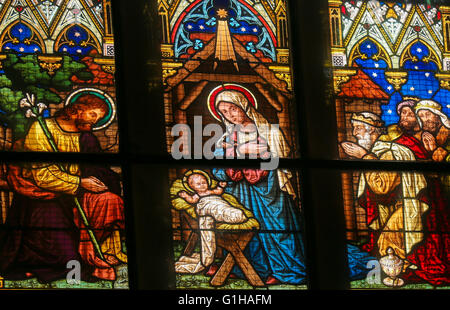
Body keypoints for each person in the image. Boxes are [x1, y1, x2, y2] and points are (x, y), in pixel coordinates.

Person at [0, 94, 126, 283]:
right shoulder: (42, 128)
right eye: (92, 114)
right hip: (42, 196)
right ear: (77, 110)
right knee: (63, 250)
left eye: (98, 118)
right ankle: (73, 261)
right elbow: (42, 176)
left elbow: (97, 167)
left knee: (111, 201)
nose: (95, 121)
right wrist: (79, 183)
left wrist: (99, 181)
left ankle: (91, 251)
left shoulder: (86, 138)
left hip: (74, 194)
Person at [341, 112, 429, 269]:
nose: (355, 133)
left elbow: (382, 187)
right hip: (389, 208)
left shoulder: (388, 152)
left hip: (406, 208)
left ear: (373, 130)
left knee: (387, 246)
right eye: (354, 128)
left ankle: (397, 270)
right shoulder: (377, 150)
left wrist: (364, 156)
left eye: (359, 128)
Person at [400, 100, 450, 286]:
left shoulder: (445, 135)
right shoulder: (427, 137)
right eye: (421, 116)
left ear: (438, 117)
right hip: (435, 194)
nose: (424, 119)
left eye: (427, 115)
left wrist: (437, 151)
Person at [175, 170, 247, 274]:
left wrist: (221, 186)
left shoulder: (210, 191)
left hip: (218, 203)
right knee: (215, 210)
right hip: (206, 206)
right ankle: (234, 216)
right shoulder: (197, 195)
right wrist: (185, 196)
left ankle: (235, 214)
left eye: (204, 182)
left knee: (222, 208)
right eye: (198, 184)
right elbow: (191, 200)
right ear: (192, 187)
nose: (202, 185)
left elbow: (219, 191)